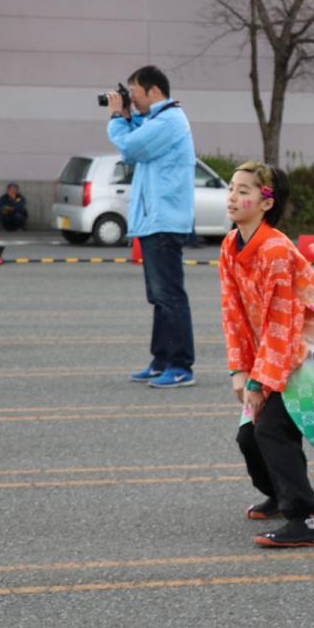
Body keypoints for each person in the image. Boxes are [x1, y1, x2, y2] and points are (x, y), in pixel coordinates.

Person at [220, 161, 314, 548]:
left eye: (244, 191)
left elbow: (282, 323)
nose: (233, 197)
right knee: (249, 436)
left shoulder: (276, 250)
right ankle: (280, 496)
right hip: (279, 348)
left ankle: (307, 518)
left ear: (266, 203)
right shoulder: (230, 246)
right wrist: (239, 369)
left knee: (272, 427)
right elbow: (233, 314)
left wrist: (258, 380)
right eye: (232, 188)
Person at [105, 66, 197, 389]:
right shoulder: (158, 120)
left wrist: (117, 118)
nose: (132, 99)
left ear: (154, 90)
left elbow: (130, 148)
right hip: (153, 221)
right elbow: (138, 135)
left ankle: (181, 365)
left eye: (135, 93)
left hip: (165, 221)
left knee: (170, 295)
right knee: (158, 296)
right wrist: (129, 116)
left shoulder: (171, 120)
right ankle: (161, 360)